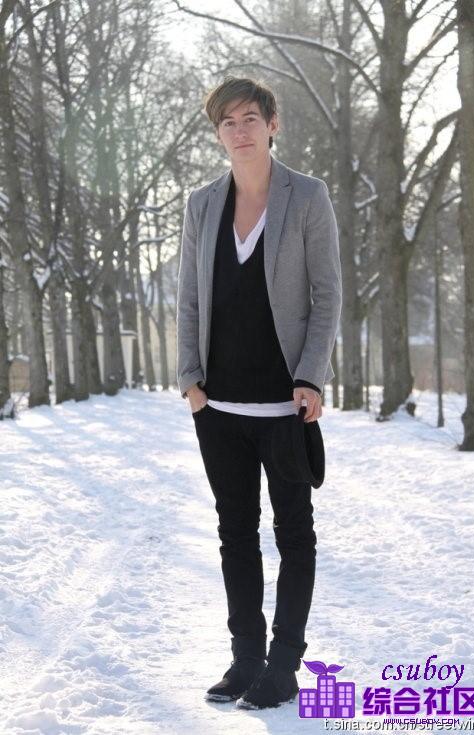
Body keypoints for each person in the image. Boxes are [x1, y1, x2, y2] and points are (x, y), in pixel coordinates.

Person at [176, 75, 342, 710]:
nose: (239, 130)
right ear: (217, 133)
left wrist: (311, 377)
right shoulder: (201, 205)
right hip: (218, 407)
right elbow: (190, 298)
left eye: (250, 118)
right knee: (235, 533)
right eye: (228, 122)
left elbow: (327, 295)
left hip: (284, 406)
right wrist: (191, 381)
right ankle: (246, 658)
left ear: (272, 124)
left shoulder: (308, 196)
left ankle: (284, 664)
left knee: (294, 534)